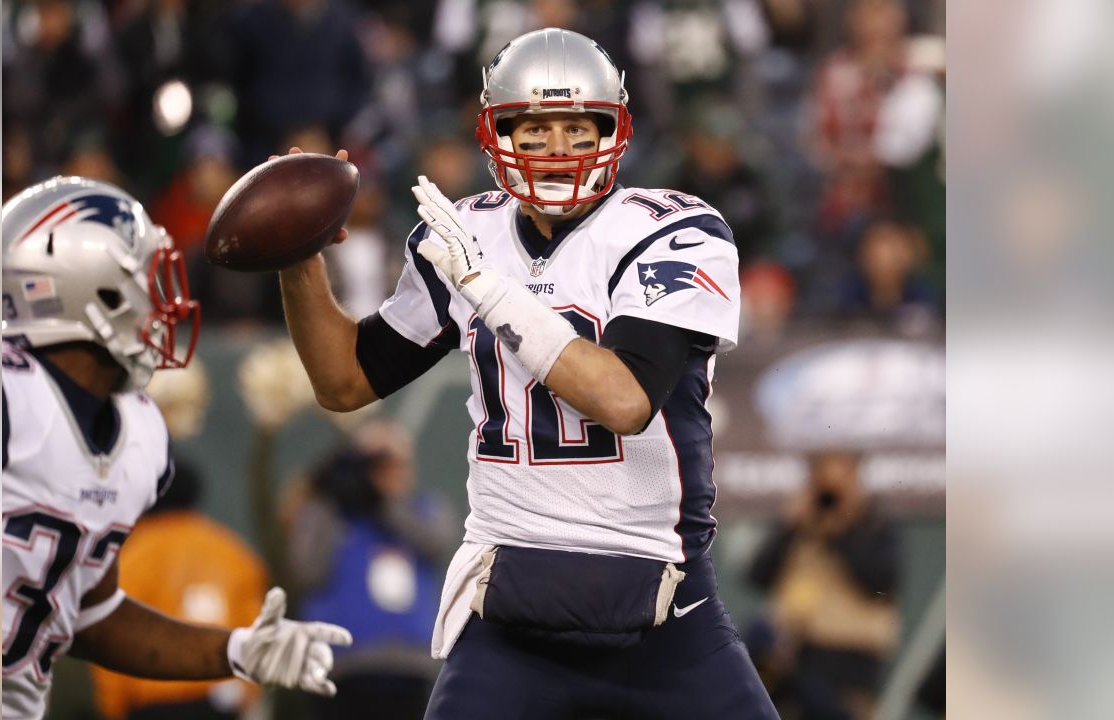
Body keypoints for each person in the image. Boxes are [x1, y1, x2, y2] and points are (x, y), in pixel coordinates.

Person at [277, 28, 777, 720]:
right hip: (510, 618)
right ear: (495, 132)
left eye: (579, 127)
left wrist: (489, 291)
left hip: (667, 618)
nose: (558, 148)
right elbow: (344, 382)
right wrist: (297, 255)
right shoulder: (462, 233)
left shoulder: (673, 230)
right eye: (534, 129)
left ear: (616, 129)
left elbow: (625, 399)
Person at [1, 176, 352, 720]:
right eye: (143, 278)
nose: (161, 301)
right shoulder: (5, 395)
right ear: (88, 288)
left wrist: (235, 650)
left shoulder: (135, 433)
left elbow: (91, 613)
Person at [289, 420, 459, 720]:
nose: (386, 473)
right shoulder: (329, 513)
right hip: (339, 666)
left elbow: (436, 541)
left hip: (407, 667)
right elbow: (306, 572)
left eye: (393, 462)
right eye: (374, 464)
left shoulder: (424, 509)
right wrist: (332, 499)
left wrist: (381, 502)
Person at [89, 458, 271, 720]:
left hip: (152, 702)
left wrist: (113, 705)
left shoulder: (130, 558)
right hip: (217, 700)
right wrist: (247, 693)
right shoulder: (233, 552)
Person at [746, 451, 902, 719]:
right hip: (794, 651)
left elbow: (880, 581)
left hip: (849, 655)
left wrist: (839, 533)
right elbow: (757, 576)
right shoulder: (801, 526)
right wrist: (789, 526)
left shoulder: (875, 526)